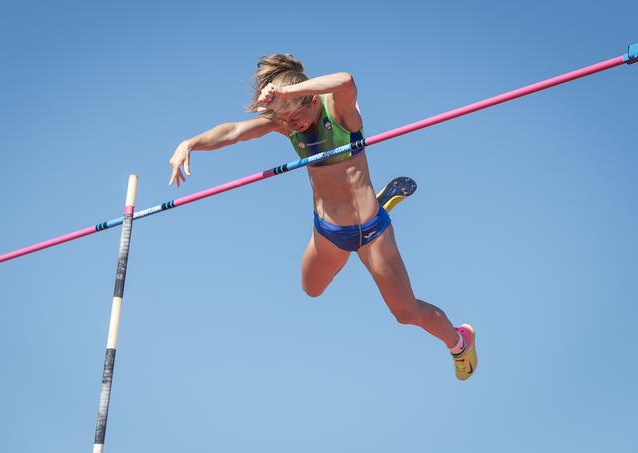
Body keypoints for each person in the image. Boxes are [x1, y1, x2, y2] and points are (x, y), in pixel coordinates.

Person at [168, 54, 477, 380]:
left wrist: (284, 95)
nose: (294, 125)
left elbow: (346, 79)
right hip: (329, 231)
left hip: (371, 233)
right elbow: (234, 131)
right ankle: (378, 203)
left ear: (310, 97)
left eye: (297, 115)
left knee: (405, 312)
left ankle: (459, 341)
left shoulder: (338, 109)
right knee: (311, 288)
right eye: (285, 120)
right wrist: (190, 143)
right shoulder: (285, 122)